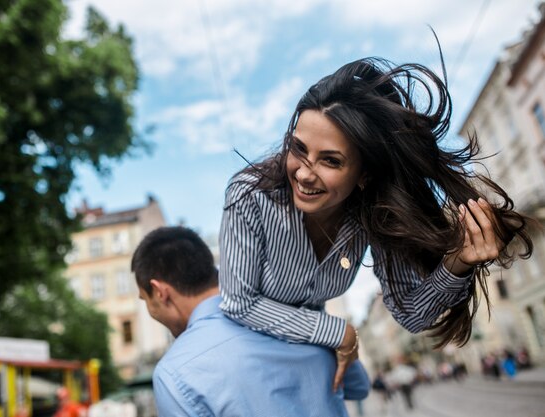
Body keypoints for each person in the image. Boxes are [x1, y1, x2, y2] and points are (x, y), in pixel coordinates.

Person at [219, 54, 534, 387]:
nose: (304, 173)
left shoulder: (372, 214)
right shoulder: (250, 194)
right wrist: (338, 331)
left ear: (364, 174)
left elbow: (410, 313)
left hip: (309, 358)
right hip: (241, 350)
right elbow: (239, 303)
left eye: (330, 160)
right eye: (298, 148)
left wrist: (457, 262)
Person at [131, 226, 369, 417]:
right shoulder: (295, 311)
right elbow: (358, 386)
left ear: (160, 292)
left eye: (145, 300)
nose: (152, 312)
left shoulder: (174, 373)